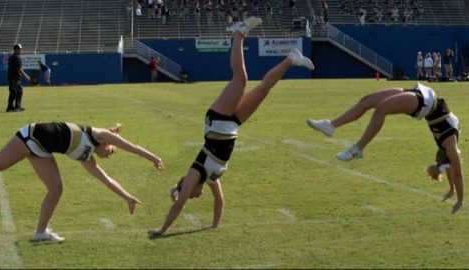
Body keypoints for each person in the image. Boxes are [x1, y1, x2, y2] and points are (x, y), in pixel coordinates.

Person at [149, 17, 315, 238]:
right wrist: (215, 226)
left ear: (187, 188)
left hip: (218, 120)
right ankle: (291, 59)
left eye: (193, 196)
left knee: (241, 78)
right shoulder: (210, 179)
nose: (197, 196)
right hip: (232, 125)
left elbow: (178, 205)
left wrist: (162, 230)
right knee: (263, 90)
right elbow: (219, 201)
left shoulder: (193, 175)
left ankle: (239, 33)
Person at [0, 122, 162, 242]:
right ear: (107, 143)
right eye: (111, 152)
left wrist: (127, 198)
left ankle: (40, 232)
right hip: (31, 136)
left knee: (56, 189)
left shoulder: (86, 157)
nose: (110, 154)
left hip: (42, 149)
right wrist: (154, 158)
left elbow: (105, 179)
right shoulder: (99, 134)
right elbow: (130, 147)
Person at [306, 83, 463, 214]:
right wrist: (453, 191)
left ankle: (358, 148)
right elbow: (453, 171)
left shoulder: (449, 147)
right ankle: (331, 125)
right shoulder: (449, 146)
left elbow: (456, 174)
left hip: (424, 102)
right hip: (421, 95)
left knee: (381, 108)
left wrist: (458, 198)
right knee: (367, 100)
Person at [7, 44, 31, 112]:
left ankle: (18, 106)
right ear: (16, 50)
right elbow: (20, 69)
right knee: (13, 92)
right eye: (20, 49)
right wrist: (26, 76)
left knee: (19, 91)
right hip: (14, 77)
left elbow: (13, 67)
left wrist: (19, 73)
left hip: (13, 77)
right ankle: (10, 107)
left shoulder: (11, 57)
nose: (21, 50)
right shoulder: (17, 58)